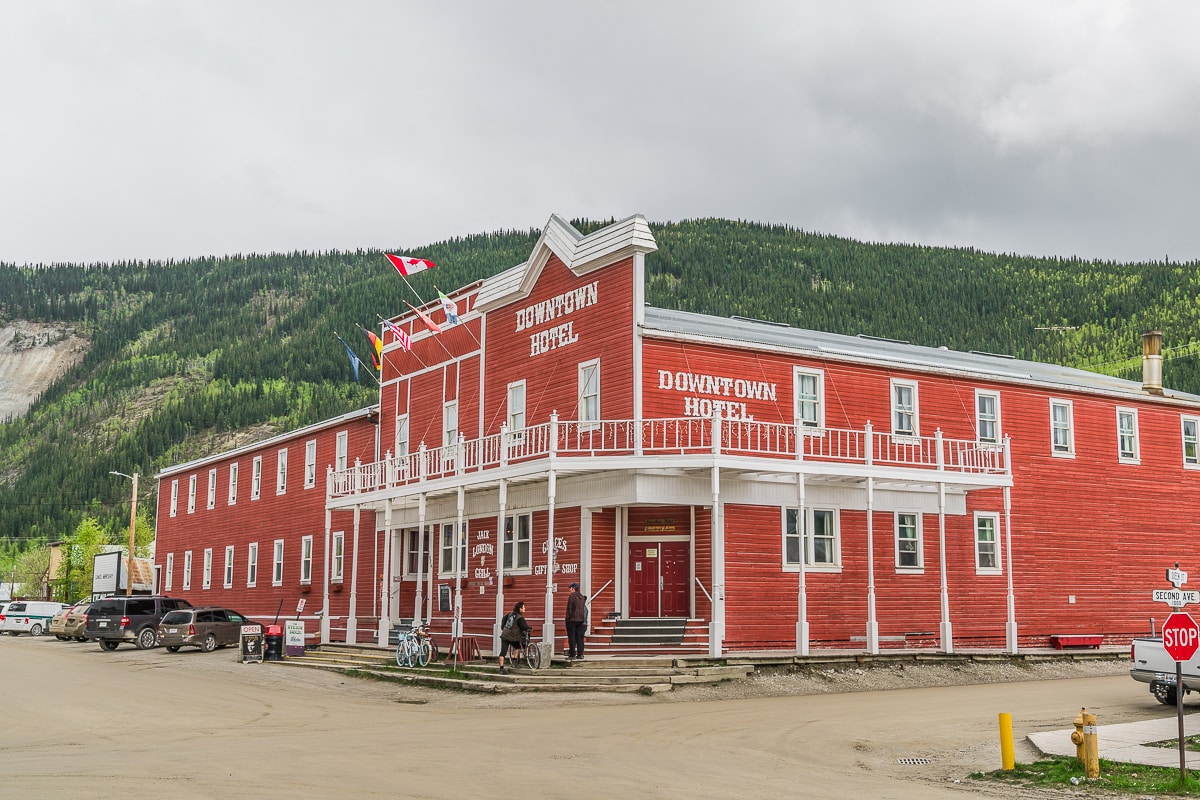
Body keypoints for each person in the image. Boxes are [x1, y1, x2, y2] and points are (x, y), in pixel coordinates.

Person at [497, 600, 529, 674]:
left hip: (504, 635)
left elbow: (504, 618)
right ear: (520, 609)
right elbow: (524, 627)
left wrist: (503, 627)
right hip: (512, 636)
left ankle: (501, 668)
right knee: (517, 647)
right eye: (524, 607)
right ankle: (514, 663)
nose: (525, 609)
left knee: (503, 652)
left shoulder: (510, 613)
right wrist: (529, 629)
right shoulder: (520, 617)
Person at [565, 582, 587, 660]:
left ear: (573, 588)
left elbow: (569, 609)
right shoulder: (582, 597)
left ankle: (572, 654)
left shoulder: (572, 596)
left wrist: (567, 618)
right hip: (581, 620)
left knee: (571, 637)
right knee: (579, 638)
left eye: (570, 588)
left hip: (572, 620)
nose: (569, 590)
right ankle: (580, 654)